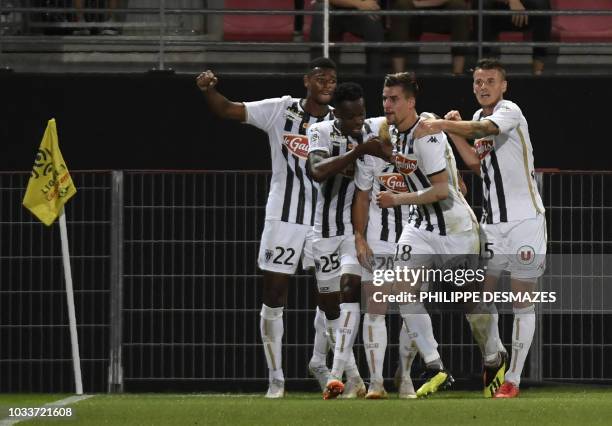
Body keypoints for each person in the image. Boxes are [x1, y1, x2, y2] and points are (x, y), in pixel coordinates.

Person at [196, 58, 346, 398]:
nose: (328, 85)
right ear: (307, 80)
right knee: (275, 295)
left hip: (326, 221)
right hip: (284, 217)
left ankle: (323, 366)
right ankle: (276, 379)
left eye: (333, 80)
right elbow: (230, 110)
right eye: (321, 78)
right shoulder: (282, 110)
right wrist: (209, 90)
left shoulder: (341, 121)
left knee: (331, 300)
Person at [416, 58, 547, 398]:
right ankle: (496, 353)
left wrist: (443, 126)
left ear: (504, 86)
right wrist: (457, 130)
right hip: (491, 225)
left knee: (522, 302)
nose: (483, 87)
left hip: (525, 222)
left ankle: (513, 380)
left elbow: (483, 131)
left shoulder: (509, 111)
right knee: (475, 297)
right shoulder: (476, 117)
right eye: (477, 82)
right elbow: (475, 160)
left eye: (490, 81)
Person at [376, 72, 480, 398]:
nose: (387, 104)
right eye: (384, 98)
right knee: (402, 290)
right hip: (420, 226)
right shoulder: (393, 130)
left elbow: (439, 190)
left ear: (411, 102)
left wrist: (397, 199)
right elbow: (451, 181)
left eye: (394, 99)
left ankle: (495, 358)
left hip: (453, 227)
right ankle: (436, 366)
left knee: (472, 303)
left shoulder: (426, 132)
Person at [307, 82, 392, 399]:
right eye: (351, 117)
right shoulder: (322, 131)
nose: (359, 121)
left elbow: (392, 155)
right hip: (324, 230)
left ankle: (337, 374)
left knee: (348, 291)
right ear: (337, 114)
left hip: (355, 229)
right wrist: (358, 151)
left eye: (362, 114)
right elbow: (316, 171)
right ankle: (340, 372)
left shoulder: (373, 128)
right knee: (329, 307)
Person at [389, 0, 471, 75]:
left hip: (442, 13)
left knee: (459, 6)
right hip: (413, 12)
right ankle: (398, 76)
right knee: (401, 5)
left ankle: (457, 73)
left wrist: (420, 3)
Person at [477, 0, 552, 75]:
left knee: (542, 3)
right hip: (497, 11)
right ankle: (484, 67)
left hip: (524, 12)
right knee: (482, 3)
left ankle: (538, 71)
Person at [310, 0, 385, 74]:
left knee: (373, 23)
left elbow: (371, 3)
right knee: (321, 10)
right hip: (331, 9)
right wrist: (358, 3)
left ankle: (374, 79)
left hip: (357, 13)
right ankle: (317, 75)